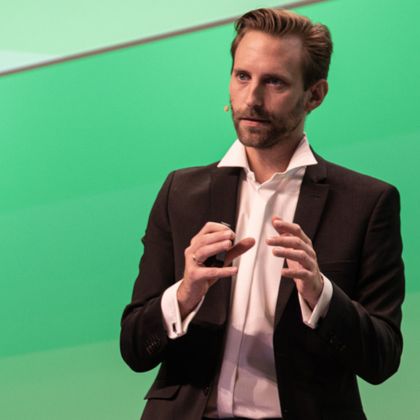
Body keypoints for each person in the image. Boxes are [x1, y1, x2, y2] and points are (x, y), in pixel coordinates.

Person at [120, 8, 404, 420]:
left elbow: (383, 358)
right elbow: (133, 348)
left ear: (315, 95)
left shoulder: (367, 202)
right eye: (242, 76)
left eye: (274, 82)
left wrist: (320, 294)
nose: (251, 98)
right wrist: (184, 295)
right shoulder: (180, 193)